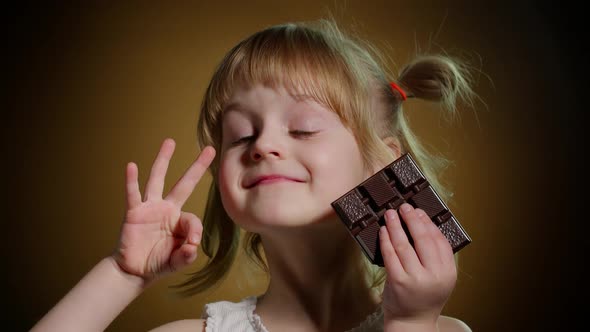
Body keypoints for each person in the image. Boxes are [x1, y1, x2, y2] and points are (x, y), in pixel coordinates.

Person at [31, 18, 477, 332]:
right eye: (241, 135)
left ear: (383, 162)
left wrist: (411, 324)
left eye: (302, 127)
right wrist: (121, 274)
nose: (263, 145)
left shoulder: (443, 330)